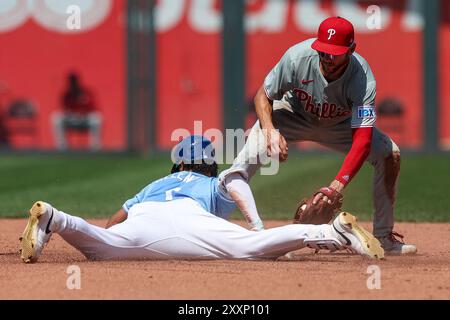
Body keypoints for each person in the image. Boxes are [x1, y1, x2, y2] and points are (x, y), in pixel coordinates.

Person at [19, 135, 384, 263]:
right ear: (209, 166)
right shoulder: (211, 182)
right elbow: (235, 179)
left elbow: (116, 219)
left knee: (101, 247)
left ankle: (55, 217)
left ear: (176, 163)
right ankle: (332, 233)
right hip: (191, 220)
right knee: (250, 249)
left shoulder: (157, 182)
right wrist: (256, 226)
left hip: (144, 219)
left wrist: (108, 237)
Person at [225, 17, 416, 255]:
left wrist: (337, 186)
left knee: (390, 155)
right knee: (240, 166)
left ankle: (384, 236)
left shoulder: (362, 78)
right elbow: (262, 96)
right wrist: (270, 131)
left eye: (335, 54)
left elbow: (363, 141)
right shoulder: (297, 58)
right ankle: (247, 232)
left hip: (341, 125)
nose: (327, 58)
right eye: (323, 52)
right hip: (293, 116)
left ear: (351, 50)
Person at [52, 72, 102, 150]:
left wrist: (83, 112)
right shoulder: (66, 94)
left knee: (96, 119)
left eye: (74, 81)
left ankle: (95, 148)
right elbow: (64, 110)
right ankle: (62, 147)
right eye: (71, 81)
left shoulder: (85, 92)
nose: (73, 83)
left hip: (85, 119)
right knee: (56, 118)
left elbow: (93, 108)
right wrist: (71, 114)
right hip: (72, 119)